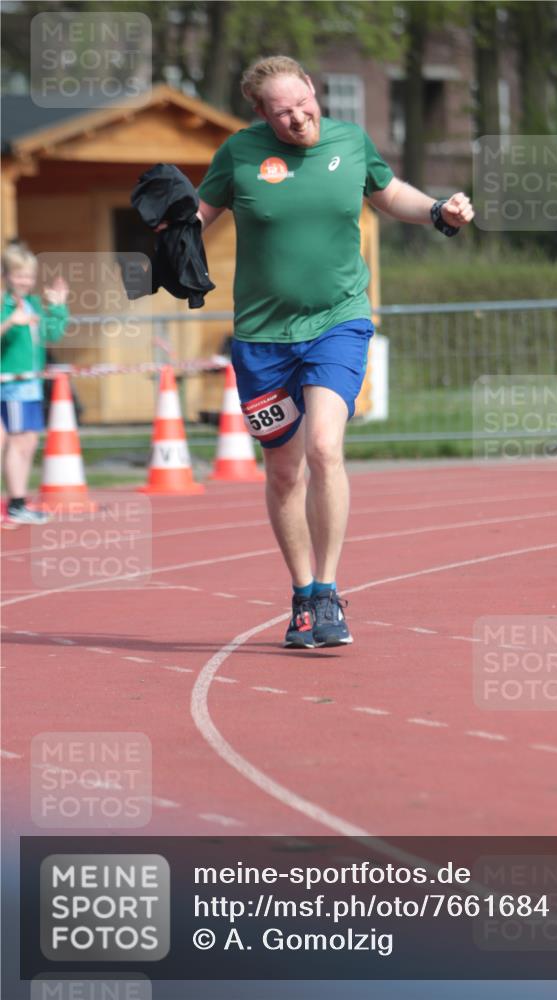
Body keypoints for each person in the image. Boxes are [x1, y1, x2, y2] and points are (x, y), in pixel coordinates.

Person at [184, 55, 473, 647]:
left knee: (323, 447)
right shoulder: (239, 154)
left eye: (303, 103)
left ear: (314, 89)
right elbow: (198, 216)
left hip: (337, 323)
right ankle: (301, 591)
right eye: (282, 111)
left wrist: (439, 211)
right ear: (262, 113)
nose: (298, 118)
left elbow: (389, 195)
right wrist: (169, 225)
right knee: (284, 470)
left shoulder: (350, 140)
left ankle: (328, 594)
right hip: (262, 340)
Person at [1, 242, 69, 524]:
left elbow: (53, 334)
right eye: (19, 275)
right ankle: (16, 504)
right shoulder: (4, 305)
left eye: (29, 275)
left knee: (27, 443)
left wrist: (58, 307)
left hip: (30, 384)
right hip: (10, 383)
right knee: (16, 442)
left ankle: (18, 502)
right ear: (6, 275)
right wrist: (9, 323)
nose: (25, 281)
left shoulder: (34, 304)